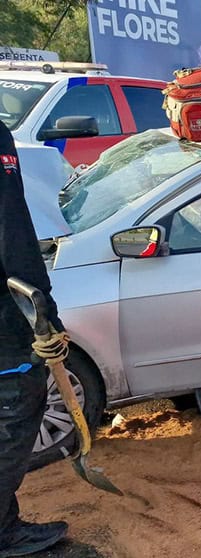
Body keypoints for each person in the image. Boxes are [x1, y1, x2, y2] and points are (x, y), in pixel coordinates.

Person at [0, 121, 70, 556]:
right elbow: (14, 235)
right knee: (13, 422)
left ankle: (7, 528)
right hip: (5, 327)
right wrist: (46, 315)